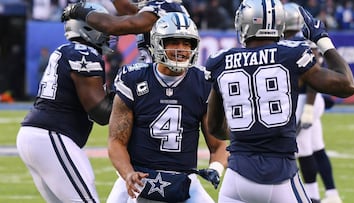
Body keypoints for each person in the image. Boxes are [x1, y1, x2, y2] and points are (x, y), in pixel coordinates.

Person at [205, 0, 354, 202]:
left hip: (235, 179)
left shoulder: (221, 61)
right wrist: (322, 39)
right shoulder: (292, 55)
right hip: (279, 176)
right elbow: (347, 85)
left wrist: (248, 133)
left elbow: (214, 127)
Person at [107, 12, 228, 203]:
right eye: (174, 42)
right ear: (157, 43)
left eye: (187, 43)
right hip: (137, 178)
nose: (181, 49)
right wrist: (128, 173)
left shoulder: (203, 82)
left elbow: (218, 144)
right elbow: (116, 142)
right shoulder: (134, 79)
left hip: (184, 180)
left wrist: (215, 168)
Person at [16, 3, 114, 202]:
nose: (107, 32)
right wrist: (129, 97)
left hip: (38, 134)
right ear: (88, 28)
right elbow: (101, 112)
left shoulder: (66, 50)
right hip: (52, 135)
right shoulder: (83, 54)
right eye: (102, 26)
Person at [283, 3, 343, 203]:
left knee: (304, 150)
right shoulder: (298, 40)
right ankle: (332, 194)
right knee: (317, 147)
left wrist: (308, 107)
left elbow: (313, 74)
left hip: (306, 99)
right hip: (310, 99)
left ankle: (313, 197)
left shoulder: (300, 43)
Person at [62, 0, 188, 63]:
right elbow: (131, 12)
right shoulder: (165, 7)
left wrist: (77, 11)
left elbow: (113, 26)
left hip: (165, 81)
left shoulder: (165, 7)